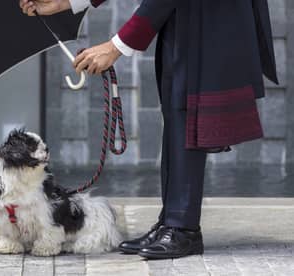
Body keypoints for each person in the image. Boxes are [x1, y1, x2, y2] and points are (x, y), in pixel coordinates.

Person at [20, 0, 278, 259]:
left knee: (185, 111)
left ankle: (183, 229)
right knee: (176, 112)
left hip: (207, 17)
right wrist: (65, 2)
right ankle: (171, 221)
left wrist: (116, 46)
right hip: (187, 16)